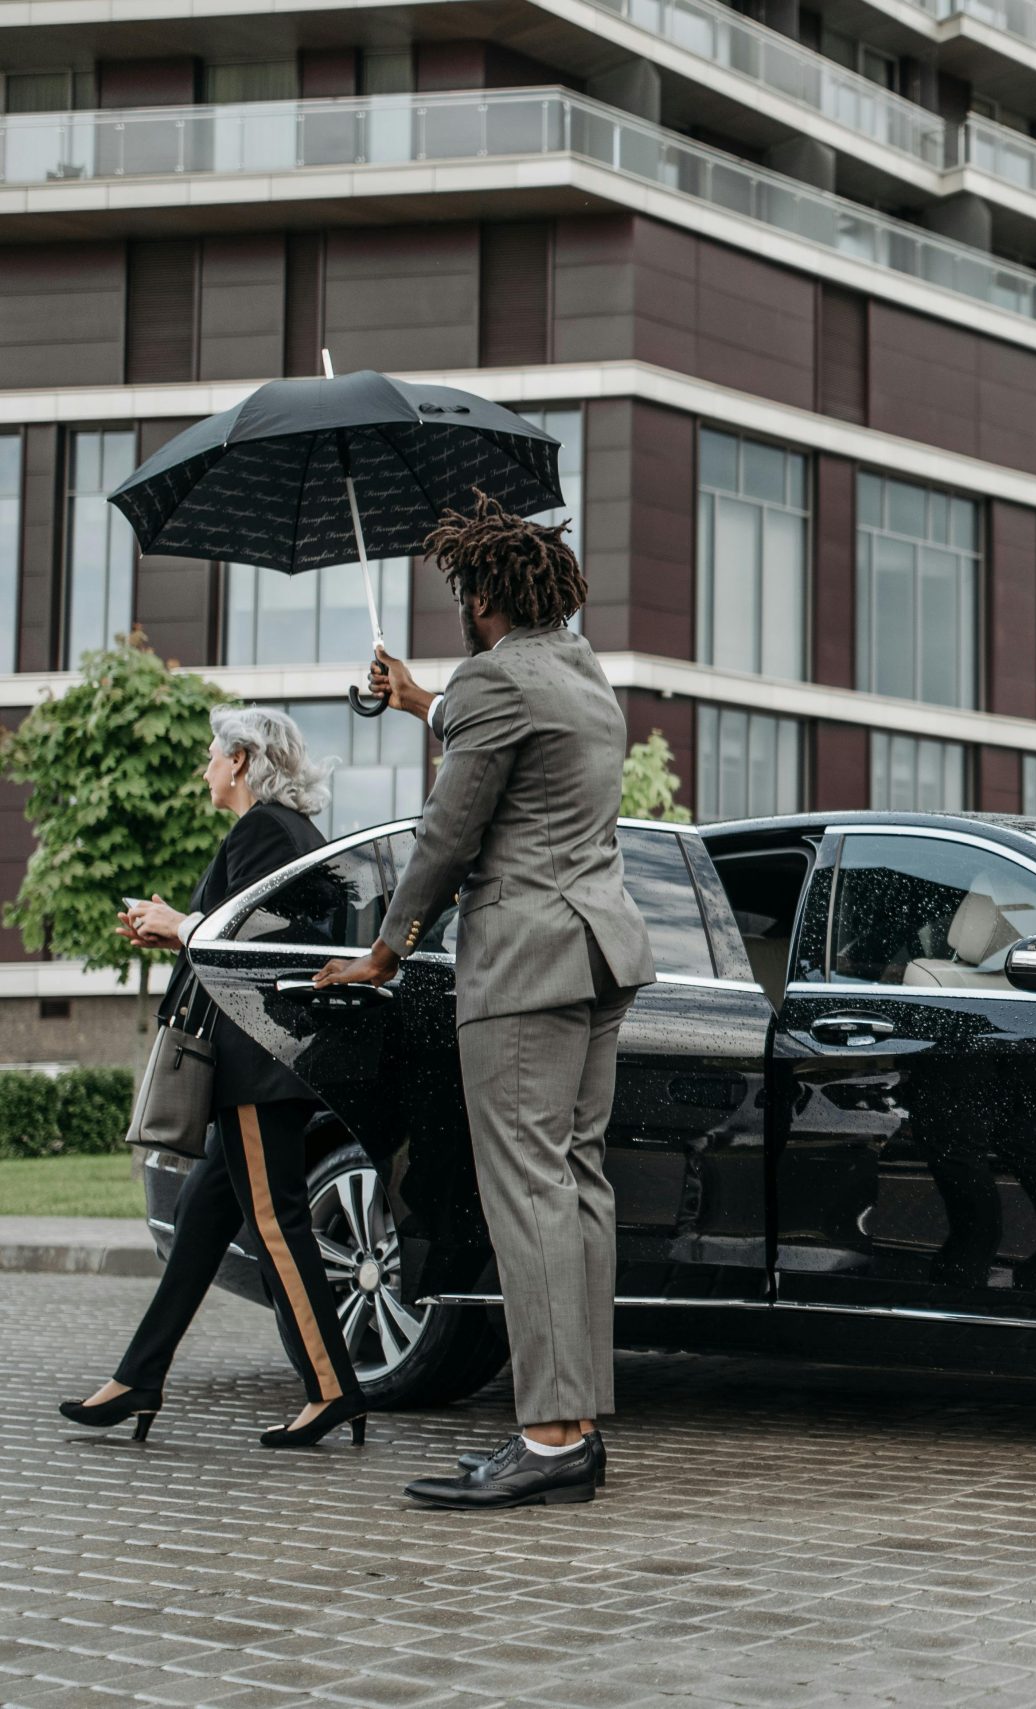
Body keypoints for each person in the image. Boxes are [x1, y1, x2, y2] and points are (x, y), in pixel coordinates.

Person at [314, 495, 653, 1511]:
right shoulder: (582, 676)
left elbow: (445, 838)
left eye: (464, 589)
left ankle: (547, 1435)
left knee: (529, 1192)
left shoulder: (494, 678)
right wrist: (422, 700)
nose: (459, 604)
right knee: (577, 1187)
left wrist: (386, 946)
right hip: (598, 955)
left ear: (485, 596)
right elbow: (494, 723)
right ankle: (575, 1421)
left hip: (523, 962)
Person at [60, 707, 369, 1448]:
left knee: (278, 1223)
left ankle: (332, 1388)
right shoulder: (292, 835)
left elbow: (261, 951)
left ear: (239, 758)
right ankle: (140, 1377)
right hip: (268, 1066)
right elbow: (255, 928)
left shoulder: (263, 829)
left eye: (209, 754)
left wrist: (181, 925)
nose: (204, 766)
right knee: (202, 1224)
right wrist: (181, 919)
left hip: (259, 1067)